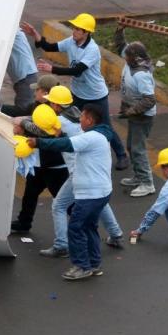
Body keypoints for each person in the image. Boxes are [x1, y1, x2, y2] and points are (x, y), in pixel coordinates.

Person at [21, 14, 129, 169]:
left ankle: (121, 155)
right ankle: (67, 150)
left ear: (86, 32)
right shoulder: (71, 41)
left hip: (96, 95)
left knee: (105, 126)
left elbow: (77, 70)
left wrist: (52, 69)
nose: (74, 31)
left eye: (78, 29)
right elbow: (49, 47)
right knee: (66, 119)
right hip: (78, 94)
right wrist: (36, 35)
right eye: (74, 28)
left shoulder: (92, 50)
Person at [31, 86, 125, 257]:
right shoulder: (78, 115)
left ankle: (61, 245)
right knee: (100, 202)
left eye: (50, 102)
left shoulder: (61, 121)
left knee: (59, 206)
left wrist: (21, 125)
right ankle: (116, 234)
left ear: (57, 106)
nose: (48, 104)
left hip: (79, 173)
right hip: (98, 176)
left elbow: (38, 127)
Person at [30, 104, 113, 280]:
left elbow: (66, 145)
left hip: (91, 193)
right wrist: (61, 135)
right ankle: (94, 263)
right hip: (99, 191)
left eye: (82, 117)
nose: (80, 119)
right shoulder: (96, 136)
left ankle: (82, 266)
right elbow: (70, 141)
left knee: (76, 228)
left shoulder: (92, 137)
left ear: (90, 120)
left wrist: (38, 142)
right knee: (89, 227)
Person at [10, 102, 69, 233]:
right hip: (42, 165)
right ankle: (24, 222)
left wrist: (22, 122)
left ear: (56, 104)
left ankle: (83, 226)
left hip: (55, 168)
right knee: (30, 194)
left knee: (64, 203)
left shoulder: (61, 121)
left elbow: (41, 132)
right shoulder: (56, 115)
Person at [114, 27, 157, 197]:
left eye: (128, 55)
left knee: (138, 149)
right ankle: (139, 177)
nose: (124, 56)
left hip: (143, 116)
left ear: (135, 58)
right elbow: (121, 46)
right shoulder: (131, 62)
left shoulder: (141, 75)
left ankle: (147, 183)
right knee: (131, 146)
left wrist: (132, 110)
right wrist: (119, 32)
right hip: (133, 112)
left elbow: (149, 99)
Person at [0, 28, 39, 116]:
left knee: (22, 111)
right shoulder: (12, 30)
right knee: (24, 108)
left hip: (26, 75)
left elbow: (22, 110)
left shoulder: (10, 30)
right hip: (24, 75)